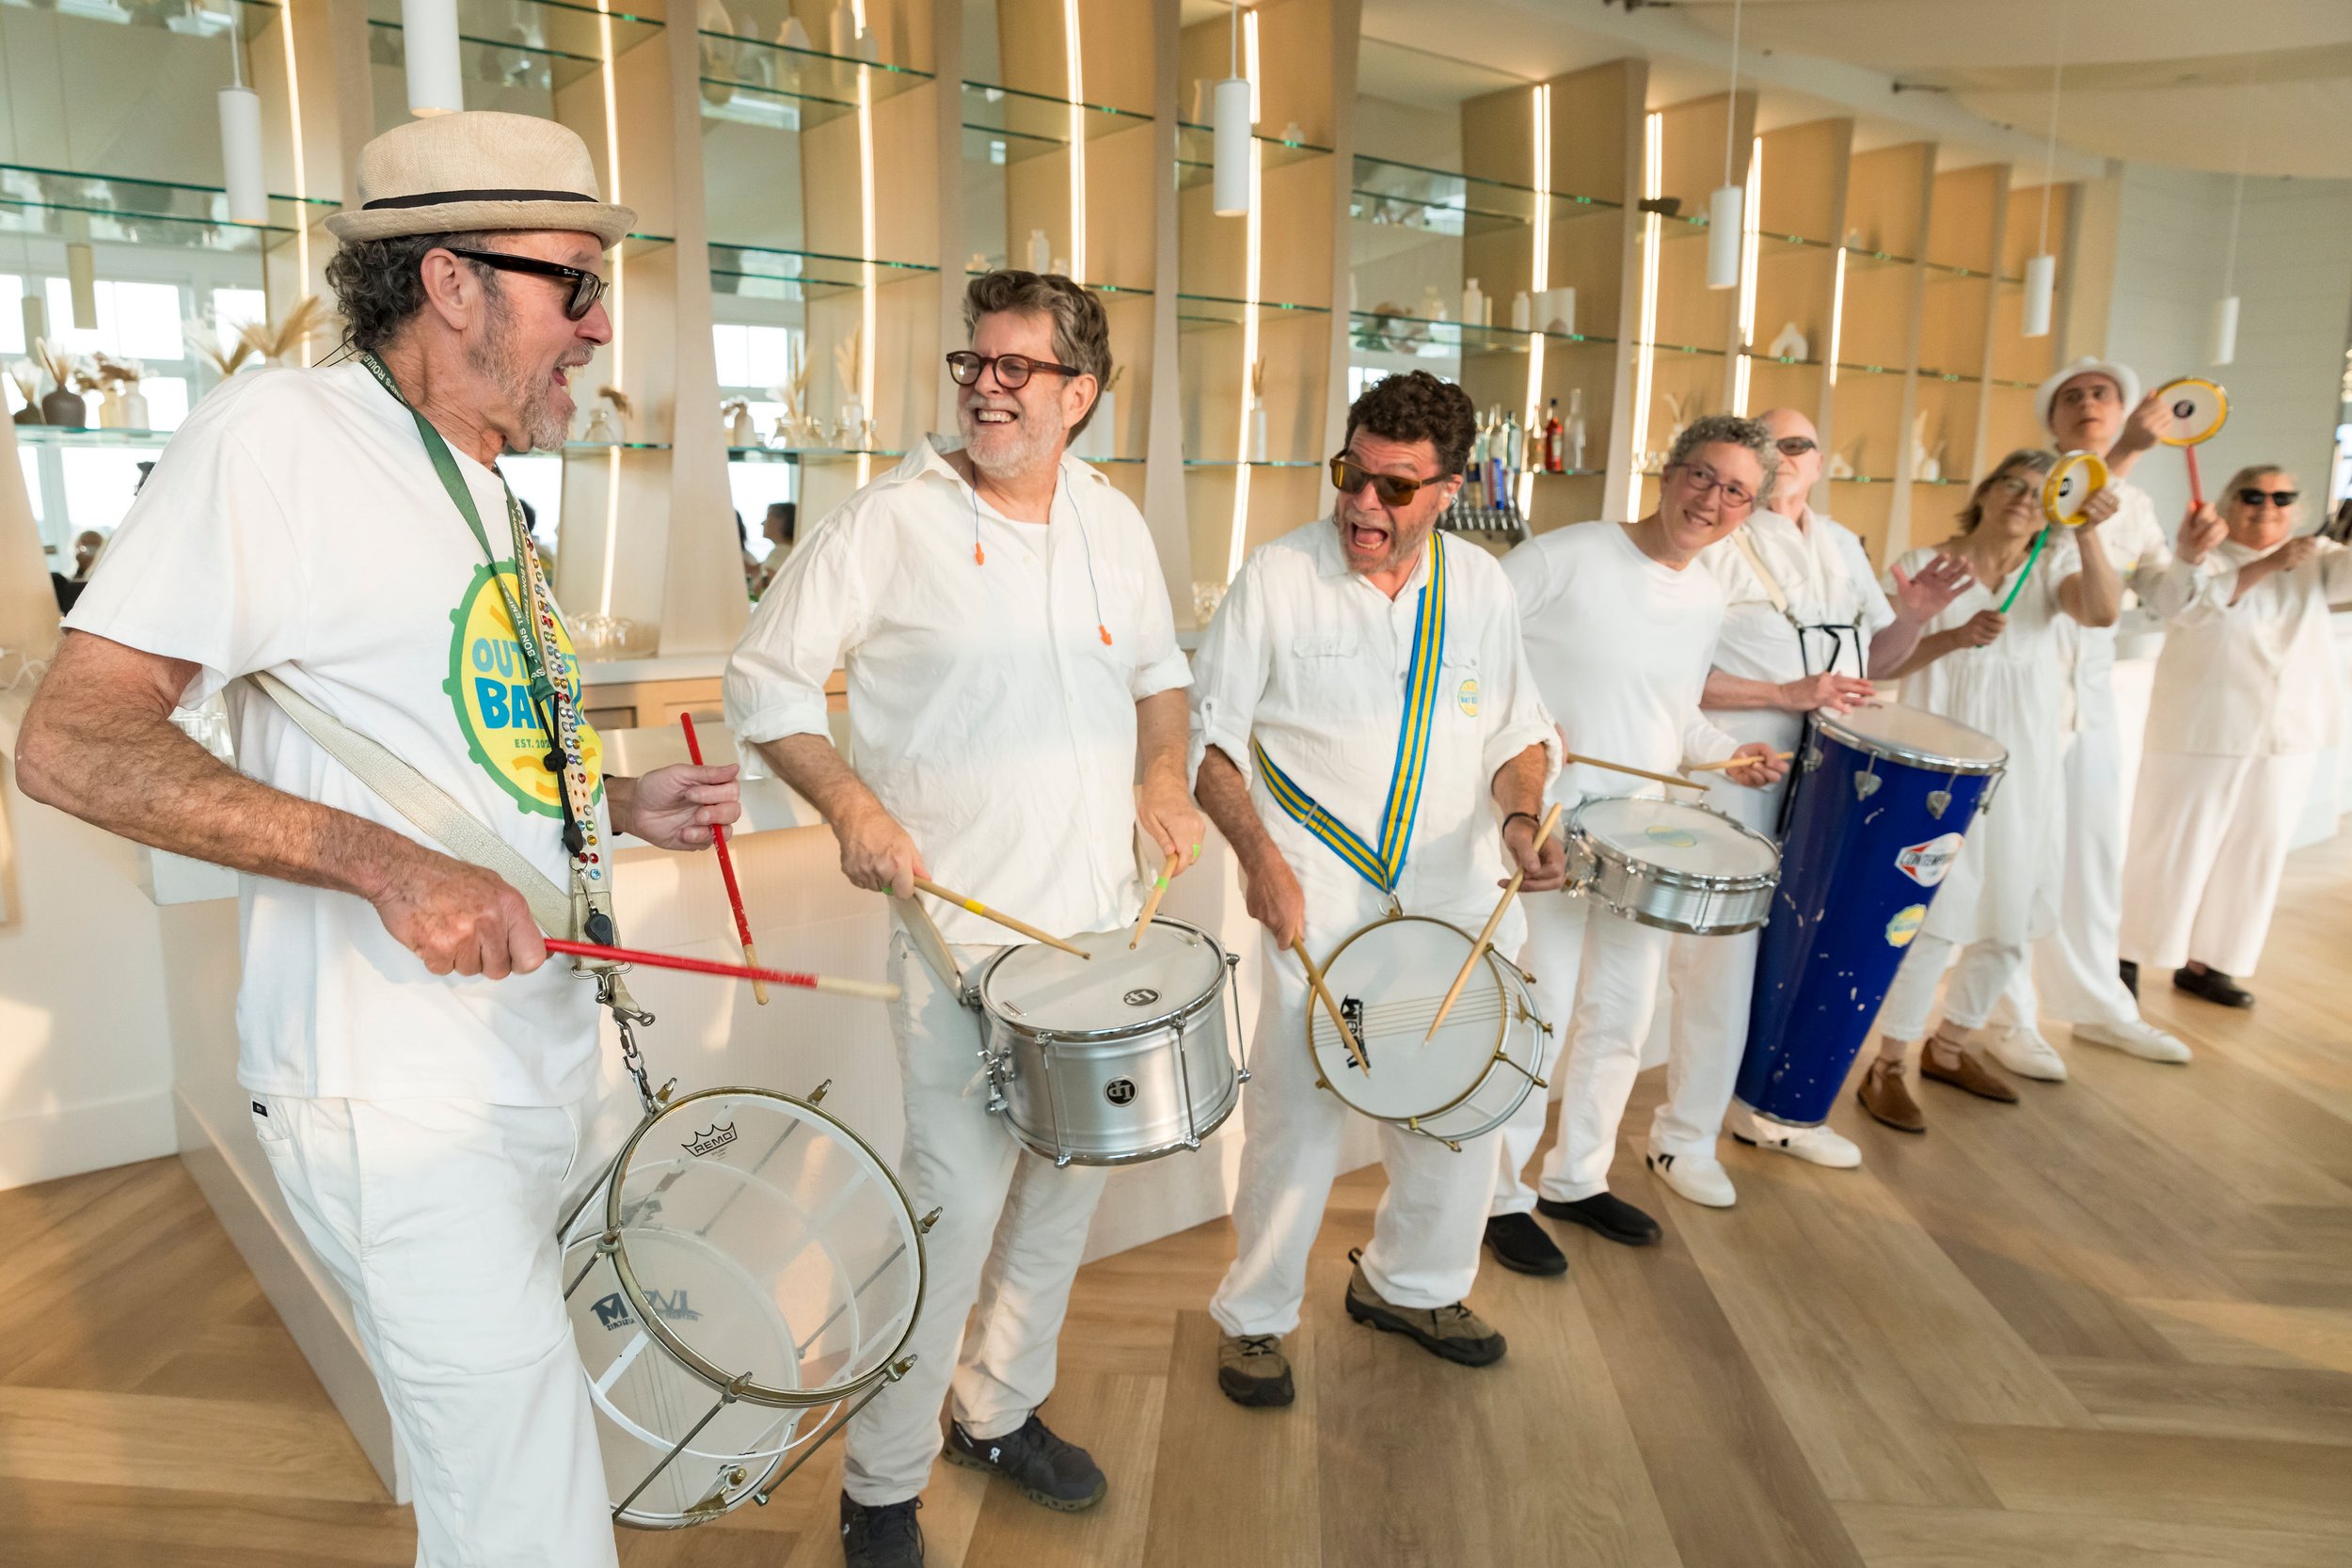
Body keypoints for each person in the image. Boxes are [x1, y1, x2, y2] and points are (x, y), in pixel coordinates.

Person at [13, 112, 742, 1567]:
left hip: (529, 1068)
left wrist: (605, 803)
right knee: (529, 1520)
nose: (598, 329)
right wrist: (387, 866)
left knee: (497, 1487)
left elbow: (439, 743)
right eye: (574, 285)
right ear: (451, 280)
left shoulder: (482, 482)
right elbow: (72, 738)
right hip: (390, 1095)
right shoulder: (278, 437)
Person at [723, 270, 1198, 1568]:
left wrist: (1165, 772)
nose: (986, 385)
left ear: (1080, 393)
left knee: (1058, 1198)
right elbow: (765, 685)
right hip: (958, 947)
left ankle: (997, 1410)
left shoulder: (1114, 520)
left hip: (1099, 938)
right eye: (972, 362)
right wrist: (850, 809)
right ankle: (881, 1486)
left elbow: (1161, 675)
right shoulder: (889, 518)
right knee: (947, 1214)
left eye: (1016, 367)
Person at [1189, 370, 1563, 1402]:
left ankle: (1412, 1282)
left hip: (1451, 888)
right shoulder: (1275, 576)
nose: (1363, 503)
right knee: (1299, 1113)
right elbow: (1208, 741)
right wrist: (1259, 862)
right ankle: (1256, 1314)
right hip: (1316, 891)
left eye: (1396, 488)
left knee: (1453, 1102)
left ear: (1448, 489)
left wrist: (1523, 816)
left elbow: (1517, 733)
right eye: (1352, 474)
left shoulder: (1482, 586)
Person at [1481, 414, 1787, 1266]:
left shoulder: (1706, 593)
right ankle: (1499, 1194)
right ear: (1668, 472)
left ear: (1748, 511)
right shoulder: (1564, 555)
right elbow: (1469, 654)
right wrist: (1530, 729)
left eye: (1736, 491)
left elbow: (1675, 714)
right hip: (1545, 829)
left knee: (1622, 1015)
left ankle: (1577, 1177)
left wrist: (1730, 754)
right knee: (1537, 1017)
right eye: (1703, 475)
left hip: (1645, 837)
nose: (1713, 499)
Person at [1679, 407, 1972, 1175]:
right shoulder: (1715, 541)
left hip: (1837, 771)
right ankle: (1683, 1136)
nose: (1782, 455)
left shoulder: (1841, 545)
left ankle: (1774, 1110)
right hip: (1743, 765)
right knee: (1726, 960)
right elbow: (1674, 671)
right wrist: (1786, 690)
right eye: (1764, 443)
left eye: (1798, 444)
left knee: (1811, 941)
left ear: (1820, 462)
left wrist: (1911, 618)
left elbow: (1878, 660)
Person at [1857, 450, 2122, 1132]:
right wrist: (1952, 636)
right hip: (1942, 762)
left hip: (2026, 763)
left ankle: (1951, 1045)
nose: (2024, 498)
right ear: (1985, 490)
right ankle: (1888, 1063)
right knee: (1935, 912)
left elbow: (2101, 610)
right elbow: (1882, 660)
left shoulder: (2053, 568)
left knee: (2014, 903)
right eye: (2012, 482)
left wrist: (2087, 530)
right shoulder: (1926, 560)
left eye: (2042, 492)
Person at [1987, 358, 2197, 1068]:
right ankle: (2007, 1016)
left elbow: (2167, 597)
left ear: (2125, 406)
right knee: (2021, 860)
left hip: (2093, 702)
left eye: (2101, 394)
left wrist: (2193, 559)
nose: (2088, 404)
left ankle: (2099, 1003)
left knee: (2093, 855)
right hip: (2026, 699)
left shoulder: (2134, 506)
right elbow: (2069, 507)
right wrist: (2132, 447)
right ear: (2052, 421)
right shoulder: (2033, 485)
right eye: (2071, 397)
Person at [2121, 467, 2352, 1007]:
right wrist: (2269, 564)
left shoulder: (2317, 559)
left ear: (2297, 506)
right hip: (2201, 729)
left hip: (2285, 734)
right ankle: (2125, 954)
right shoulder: (2203, 559)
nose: (2266, 505)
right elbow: (2181, 603)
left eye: (2281, 496)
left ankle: (2211, 963)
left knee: (2256, 853)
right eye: (2252, 495)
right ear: (2227, 503)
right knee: (2170, 847)